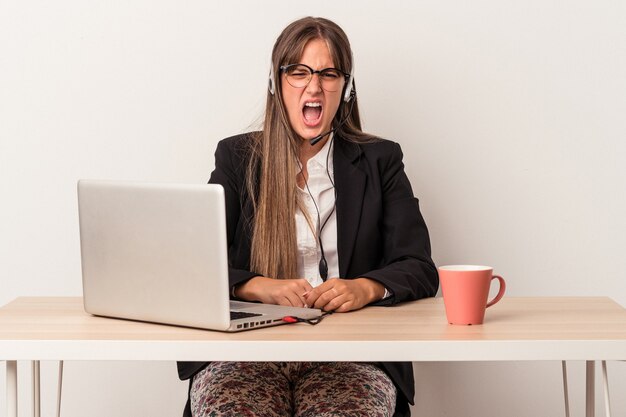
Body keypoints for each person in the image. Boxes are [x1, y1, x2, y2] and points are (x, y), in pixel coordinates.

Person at [178, 16, 438, 417]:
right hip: (244, 355)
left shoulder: (381, 160)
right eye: (298, 71)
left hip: (351, 355)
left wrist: (365, 288)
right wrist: (255, 286)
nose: (313, 86)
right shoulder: (237, 158)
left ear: (345, 88)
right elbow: (192, 266)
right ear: (275, 83)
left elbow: (419, 267)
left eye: (328, 73)